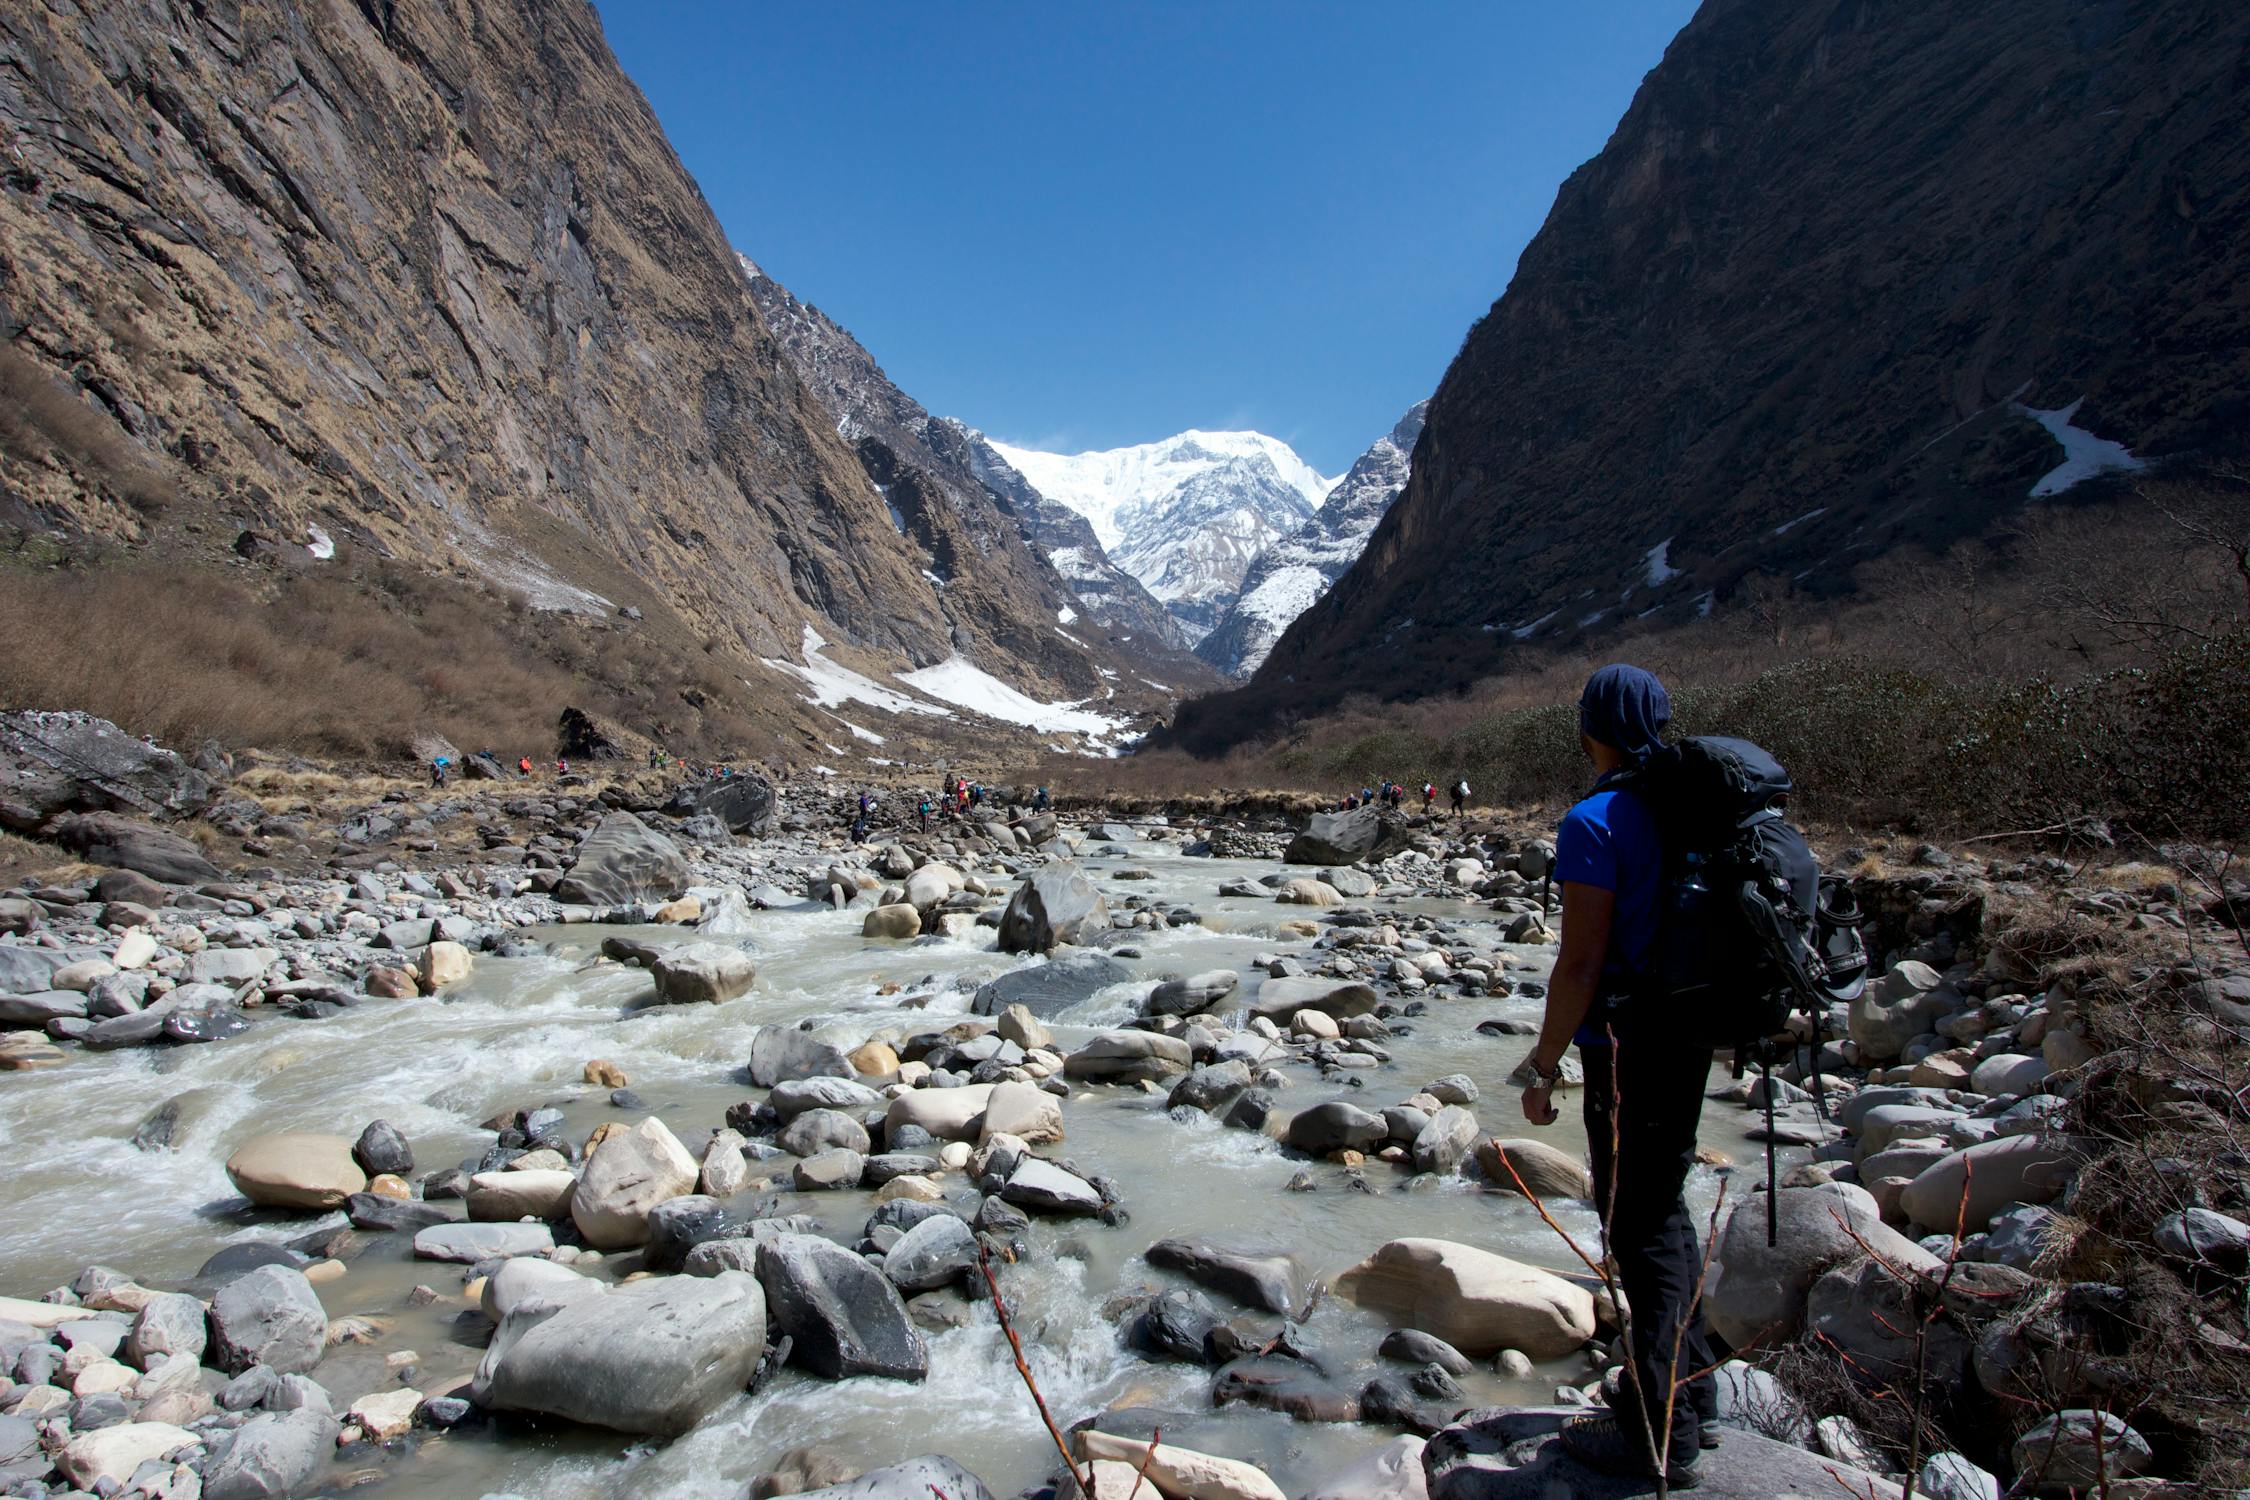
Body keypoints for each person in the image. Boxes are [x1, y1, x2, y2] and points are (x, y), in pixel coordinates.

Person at [1518, 664, 1717, 1486]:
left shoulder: (1594, 822)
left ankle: (1656, 1430)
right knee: (1663, 1207)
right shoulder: (1689, 810)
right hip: (1690, 1036)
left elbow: (1580, 965)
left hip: (1625, 1050)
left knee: (1633, 1227)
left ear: (1590, 728)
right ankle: (1696, 1397)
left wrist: (1542, 1063)